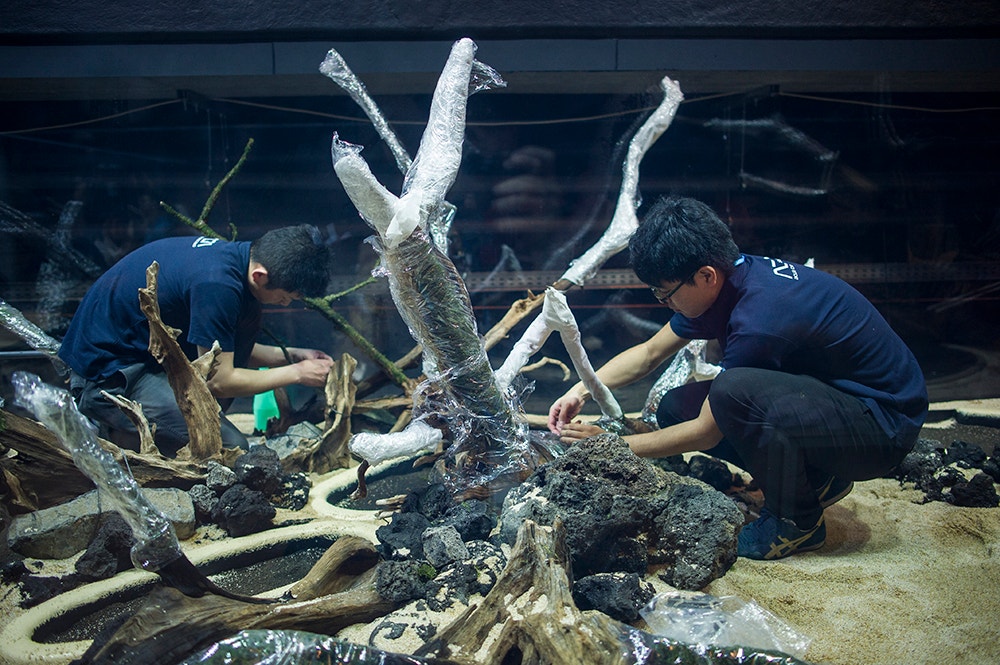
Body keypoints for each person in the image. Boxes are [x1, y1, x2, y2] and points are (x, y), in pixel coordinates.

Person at [548, 196, 928, 560]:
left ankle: (796, 522)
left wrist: (612, 446)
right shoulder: (730, 279)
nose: (664, 303)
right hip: (839, 405)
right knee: (676, 407)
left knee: (733, 391)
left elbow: (706, 433)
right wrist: (579, 390)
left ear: (705, 275)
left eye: (665, 294)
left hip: (881, 429)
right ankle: (815, 480)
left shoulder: (760, 319)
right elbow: (649, 353)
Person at [58, 225, 335, 455]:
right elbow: (220, 380)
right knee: (229, 449)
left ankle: (133, 434)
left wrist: (293, 355)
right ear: (260, 276)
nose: (284, 305)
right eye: (286, 297)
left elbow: (218, 349)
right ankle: (112, 432)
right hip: (108, 374)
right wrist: (297, 373)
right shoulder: (217, 285)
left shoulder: (235, 259)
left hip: (142, 356)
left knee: (215, 417)